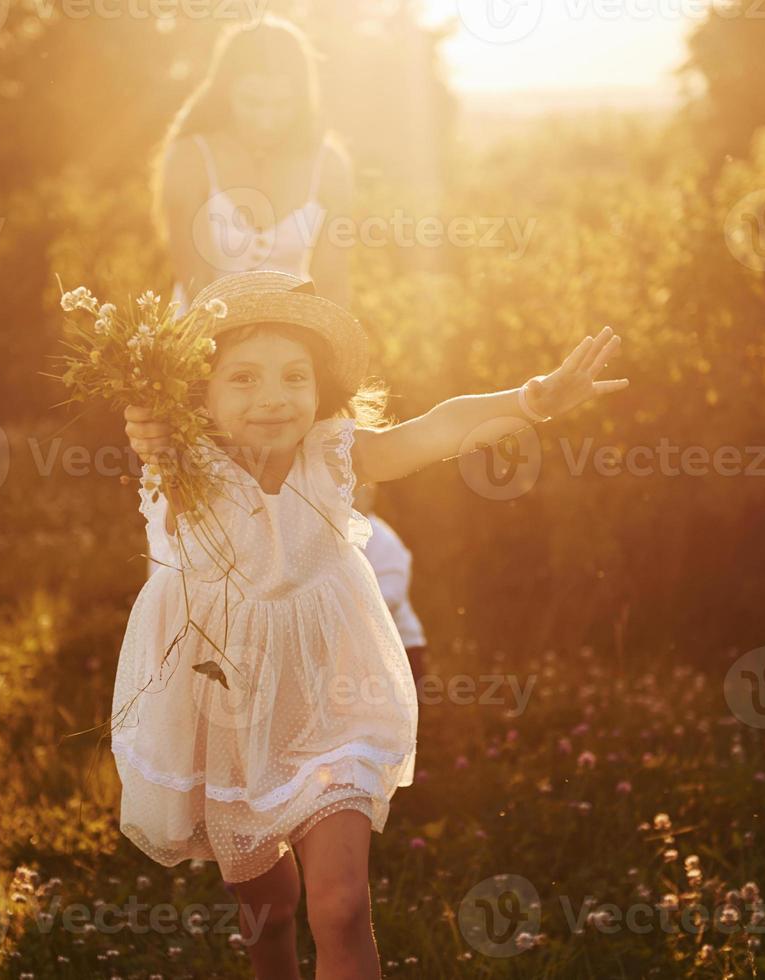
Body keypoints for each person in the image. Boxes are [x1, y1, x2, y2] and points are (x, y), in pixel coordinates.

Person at [113, 269, 629, 979]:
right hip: (226, 702)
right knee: (263, 903)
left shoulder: (336, 454)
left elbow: (439, 428)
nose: (273, 398)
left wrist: (532, 400)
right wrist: (153, 431)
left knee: (341, 905)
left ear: (320, 386)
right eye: (243, 379)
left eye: (295, 376)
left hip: (336, 694)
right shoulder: (185, 469)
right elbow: (157, 440)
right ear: (199, 392)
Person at [149, 14, 353, 316]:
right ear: (226, 92)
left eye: (282, 104)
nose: (266, 120)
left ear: (302, 99)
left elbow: (332, 284)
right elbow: (196, 282)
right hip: (200, 333)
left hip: (293, 341)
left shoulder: (329, 165)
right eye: (252, 101)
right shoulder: (190, 156)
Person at [352, 482, 427, 682]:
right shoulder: (340, 535)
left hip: (401, 648)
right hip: (362, 650)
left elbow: (390, 597)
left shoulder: (383, 540)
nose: (347, 499)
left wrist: (346, 608)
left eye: (354, 492)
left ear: (369, 495)